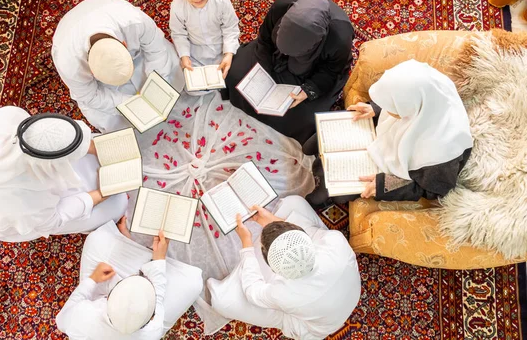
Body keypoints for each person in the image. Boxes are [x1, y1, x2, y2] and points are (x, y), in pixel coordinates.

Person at [304, 59, 474, 206]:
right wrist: (374, 108)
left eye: (391, 107)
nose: (387, 109)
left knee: (335, 194)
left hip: (399, 164)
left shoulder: (443, 152)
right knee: (317, 140)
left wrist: (383, 186)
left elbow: (432, 190)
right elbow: (403, 93)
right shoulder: (429, 87)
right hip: (397, 134)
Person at [0, 107, 128, 242]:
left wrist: (96, 149)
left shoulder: (9, 117)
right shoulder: (19, 204)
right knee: (118, 204)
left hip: (34, 178)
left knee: (102, 143)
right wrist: (99, 195)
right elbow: (56, 218)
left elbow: (64, 139)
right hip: (33, 212)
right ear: (50, 167)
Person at [208, 196, 361, 340]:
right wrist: (273, 221)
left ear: (272, 268)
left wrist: (246, 244)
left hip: (311, 327)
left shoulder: (282, 294)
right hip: (345, 294)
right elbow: (309, 235)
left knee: (220, 300)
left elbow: (252, 292)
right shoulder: (336, 241)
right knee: (295, 202)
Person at [223, 0, 354, 144]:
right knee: (234, 77)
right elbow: (265, 41)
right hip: (274, 57)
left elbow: (332, 71)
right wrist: (264, 72)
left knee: (304, 120)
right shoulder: (283, 6)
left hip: (314, 71)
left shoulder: (340, 36)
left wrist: (308, 91)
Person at [52, 0, 185, 133]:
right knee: (111, 120)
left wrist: (158, 82)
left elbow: (156, 49)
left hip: (136, 53)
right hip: (100, 82)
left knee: (171, 71)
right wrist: (130, 105)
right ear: (91, 71)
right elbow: (90, 96)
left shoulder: (134, 22)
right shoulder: (70, 65)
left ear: (124, 44)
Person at [56, 219, 203, 339]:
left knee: (97, 239)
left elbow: (62, 320)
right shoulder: (150, 333)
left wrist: (93, 279)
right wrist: (158, 259)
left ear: (108, 298)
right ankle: (130, 248)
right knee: (193, 283)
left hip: (99, 304)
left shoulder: (80, 318)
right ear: (150, 318)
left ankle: (126, 245)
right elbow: (157, 299)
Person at [169, 0, 240, 80]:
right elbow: (179, 34)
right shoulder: (177, 6)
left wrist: (228, 54)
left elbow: (230, 28)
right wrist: (185, 57)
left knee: (235, 78)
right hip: (195, 54)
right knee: (189, 86)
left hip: (222, 48)